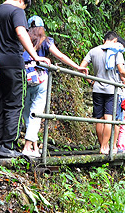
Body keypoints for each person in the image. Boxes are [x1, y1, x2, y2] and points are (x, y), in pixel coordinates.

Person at [0, 0, 49, 158]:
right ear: (22, 0)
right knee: (14, 104)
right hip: (13, 64)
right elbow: (21, 32)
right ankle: (8, 146)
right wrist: (35, 55)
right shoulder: (17, 11)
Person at [20, 16, 82, 158]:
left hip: (25, 78)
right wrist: (77, 67)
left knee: (27, 112)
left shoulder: (24, 39)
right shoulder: (46, 41)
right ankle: (27, 146)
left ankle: (34, 147)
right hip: (41, 79)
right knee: (37, 113)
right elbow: (60, 56)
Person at [78, 32, 125, 154]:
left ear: (104, 39)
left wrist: (91, 82)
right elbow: (121, 71)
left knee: (99, 119)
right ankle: (105, 147)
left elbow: (81, 68)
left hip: (97, 89)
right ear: (115, 40)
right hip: (111, 90)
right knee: (109, 119)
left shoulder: (93, 51)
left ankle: (102, 146)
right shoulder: (117, 52)